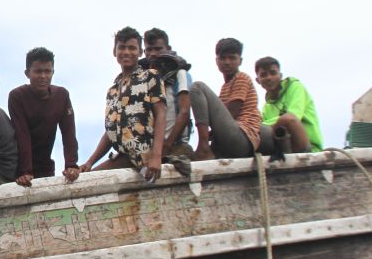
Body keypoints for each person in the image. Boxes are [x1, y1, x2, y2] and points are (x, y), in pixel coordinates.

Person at [80, 27, 167, 181]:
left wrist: (156, 156)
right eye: (122, 47)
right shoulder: (113, 90)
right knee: (88, 177)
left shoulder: (150, 77)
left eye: (132, 48)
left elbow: (161, 114)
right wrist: (89, 162)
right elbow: (111, 132)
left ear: (140, 52)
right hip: (124, 156)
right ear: (115, 51)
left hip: (145, 156)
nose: (126, 52)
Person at [7, 47, 80, 186]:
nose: (43, 76)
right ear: (27, 73)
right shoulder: (17, 96)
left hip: (45, 165)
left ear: (53, 72)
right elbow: (22, 135)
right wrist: (25, 171)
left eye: (47, 71)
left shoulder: (62, 96)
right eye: (38, 71)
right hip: (18, 166)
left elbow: (69, 133)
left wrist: (71, 165)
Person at [189, 38, 262, 160]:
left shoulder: (242, 78)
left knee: (197, 87)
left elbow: (231, 113)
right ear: (216, 61)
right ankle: (206, 148)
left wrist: (209, 134)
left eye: (232, 58)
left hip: (243, 137)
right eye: (223, 58)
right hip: (231, 140)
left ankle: (203, 147)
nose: (227, 62)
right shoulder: (225, 87)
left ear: (240, 61)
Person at [255, 57, 324, 153]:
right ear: (257, 80)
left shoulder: (295, 87)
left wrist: (257, 127)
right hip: (284, 149)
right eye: (264, 75)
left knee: (288, 119)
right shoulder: (267, 107)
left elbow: (294, 116)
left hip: (309, 147)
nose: (269, 78)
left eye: (273, 73)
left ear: (280, 75)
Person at [143, 28, 194, 157]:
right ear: (144, 52)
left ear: (168, 48)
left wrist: (166, 146)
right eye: (149, 50)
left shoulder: (180, 74)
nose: (153, 53)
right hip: (151, 147)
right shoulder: (143, 80)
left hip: (174, 145)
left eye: (158, 49)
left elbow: (184, 112)